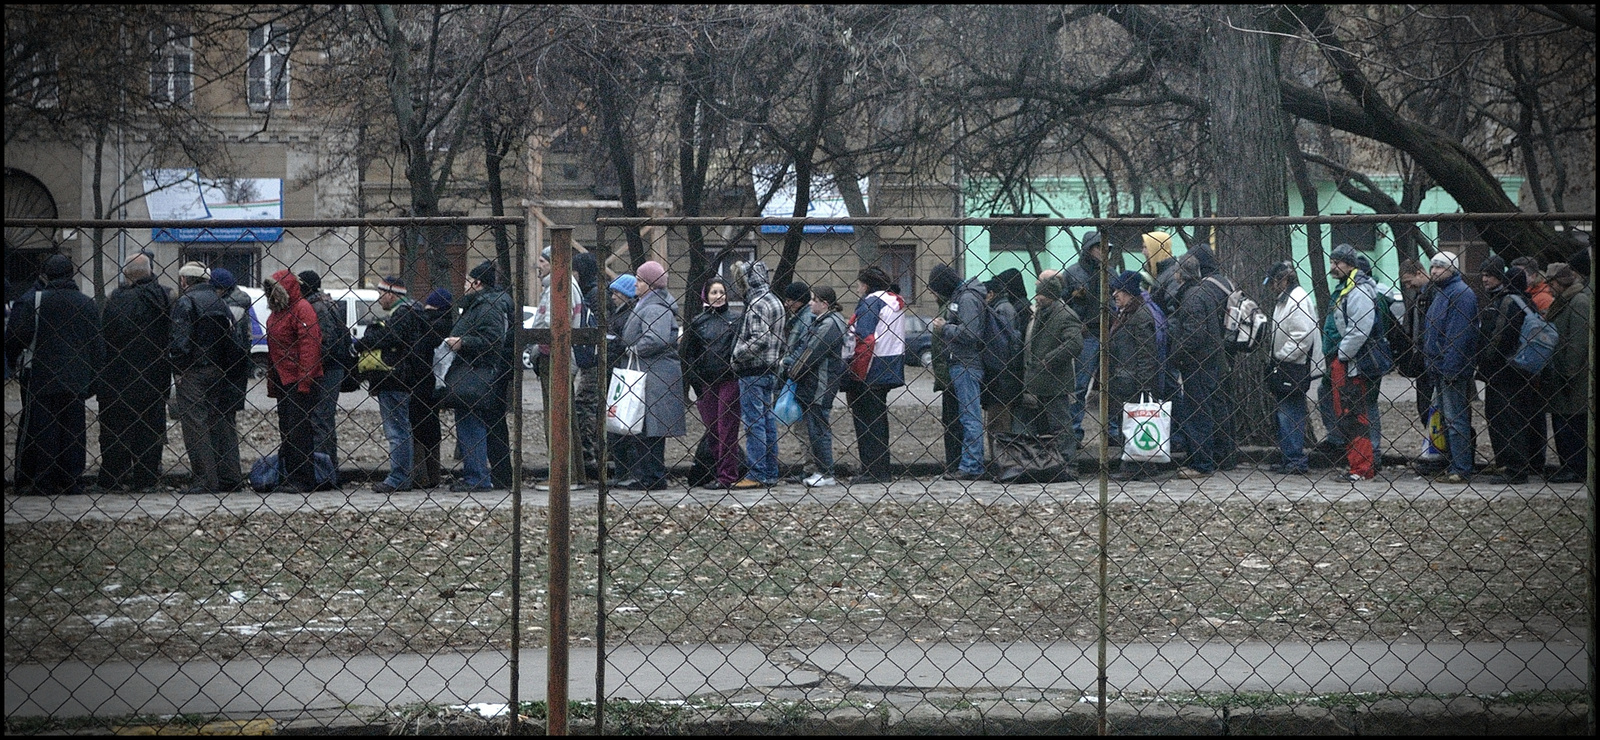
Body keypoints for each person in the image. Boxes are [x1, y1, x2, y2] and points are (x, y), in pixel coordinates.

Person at [5, 254, 102, 496]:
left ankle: (42, 479)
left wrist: (12, 361)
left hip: (40, 376)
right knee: (73, 429)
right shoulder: (86, 303)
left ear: (45, 275)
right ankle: (71, 480)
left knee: (41, 429)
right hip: (76, 378)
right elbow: (97, 345)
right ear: (71, 274)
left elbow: (15, 337)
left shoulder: (34, 301)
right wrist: (93, 378)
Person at [96, 253, 174, 491]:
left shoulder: (114, 300)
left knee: (115, 431)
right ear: (150, 272)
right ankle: (146, 478)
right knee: (149, 431)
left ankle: (113, 477)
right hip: (154, 378)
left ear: (127, 274)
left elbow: (105, 336)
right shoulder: (165, 298)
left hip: (117, 378)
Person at [170, 262, 246, 494]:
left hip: (194, 371)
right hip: (219, 371)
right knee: (220, 423)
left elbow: (180, 342)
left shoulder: (186, 302)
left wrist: (179, 370)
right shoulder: (221, 302)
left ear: (185, 281)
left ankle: (204, 479)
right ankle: (229, 476)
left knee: (195, 425)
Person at [616, 260, 686, 489]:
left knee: (650, 430)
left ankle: (652, 476)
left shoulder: (654, 307)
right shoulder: (649, 303)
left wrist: (631, 349)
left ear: (650, 283)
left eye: (639, 279)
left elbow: (655, 338)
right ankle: (648, 475)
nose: (635, 283)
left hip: (655, 374)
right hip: (651, 372)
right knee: (647, 428)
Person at [445, 261, 511, 492]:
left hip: (476, 371)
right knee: (470, 423)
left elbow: (493, 340)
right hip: (474, 370)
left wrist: (463, 343)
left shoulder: (487, 306)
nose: (464, 285)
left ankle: (477, 477)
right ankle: (477, 474)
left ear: (477, 282)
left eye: (467, 280)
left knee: (472, 424)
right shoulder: (479, 304)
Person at [355, 276, 426, 493]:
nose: (379, 299)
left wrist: (363, 342)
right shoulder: (410, 312)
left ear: (391, 294)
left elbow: (389, 336)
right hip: (402, 376)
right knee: (400, 428)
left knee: (397, 430)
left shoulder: (403, 313)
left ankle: (399, 478)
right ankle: (403, 475)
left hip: (395, 377)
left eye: (381, 294)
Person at [1320, 244, 1384, 482]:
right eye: (1332, 262)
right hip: (1346, 361)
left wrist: (1343, 355)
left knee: (1354, 414)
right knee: (1348, 414)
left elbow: (1359, 330)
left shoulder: (1358, 290)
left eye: (1337, 263)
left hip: (1352, 363)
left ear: (1350, 264)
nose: (1333, 268)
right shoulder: (1348, 288)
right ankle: (1358, 464)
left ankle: (1362, 467)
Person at [1169, 245, 1232, 479]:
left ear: (1179, 274)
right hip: (1206, 362)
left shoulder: (1192, 298)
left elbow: (1194, 334)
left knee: (1197, 413)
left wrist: (1176, 354)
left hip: (1197, 363)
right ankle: (1206, 457)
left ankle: (1201, 463)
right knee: (1202, 411)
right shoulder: (1201, 292)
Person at [1475, 254, 1539, 484]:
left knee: (1506, 419)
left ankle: (1514, 467)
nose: (1485, 279)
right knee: (1516, 418)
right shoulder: (1525, 301)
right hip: (1520, 369)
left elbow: (1499, 337)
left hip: (1504, 371)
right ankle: (1520, 463)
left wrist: (1485, 360)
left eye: (1490, 275)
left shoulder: (1508, 302)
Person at [844, 266, 906, 485]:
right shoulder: (894, 301)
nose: (858, 288)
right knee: (879, 421)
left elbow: (865, 338)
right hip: (889, 364)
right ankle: (882, 468)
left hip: (869, 367)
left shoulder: (871, 302)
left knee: (866, 422)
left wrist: (855, 372)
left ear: (866, 284)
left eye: (860, 284)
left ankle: (871, 469)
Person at [263, 269, 324, 494]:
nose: (270, 295)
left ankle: (303, 478)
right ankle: (291, 474)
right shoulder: (280, 312)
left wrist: (304, 380)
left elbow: (310, 347)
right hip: (284, 379)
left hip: (299, 379)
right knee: (288, 429)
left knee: (299, 431)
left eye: (275, 290)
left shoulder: (301, 309)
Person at [681, 276, 744, 489]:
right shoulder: (698, 322)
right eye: (714, 292)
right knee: (713, 430)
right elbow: (689, 354)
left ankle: (728, 475)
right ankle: (717, 470)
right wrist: (696, 382)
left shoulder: (736, 320)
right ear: (706, 296)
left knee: (727, 429)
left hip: (729, 380)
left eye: (721, 292)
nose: (718, 296)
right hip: (706, 383)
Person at [1020, 271, 1084, 479]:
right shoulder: (1041, 312)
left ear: (1051, 295)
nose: (1037, 297)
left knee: (1061, 424)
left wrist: (1050, 358)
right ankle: (1047, 462)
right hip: (1039, 379)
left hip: (1055, 380)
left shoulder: (1065, 316)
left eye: (1041, 294)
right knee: (1043, 425)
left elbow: (1075, 344)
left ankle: (1068, 463)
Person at [729, 260, 787, 489]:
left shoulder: (756, 304)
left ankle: (757, 473)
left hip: (752, 371)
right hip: (771, 369)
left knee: (754, 424)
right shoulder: (775, 301)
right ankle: (770, 471)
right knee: (767, 421)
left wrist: (736, 354)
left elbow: (759, 339)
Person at [1421, 251, 1477, 484]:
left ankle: (1461, 467)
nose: (1434, 271)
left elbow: (1458, 336)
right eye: (1432, 267)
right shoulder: (1442, 292)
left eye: (1440, 267)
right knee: (1447, 419)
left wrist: (1451, 368)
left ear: (1452, 269)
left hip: (1451, 368)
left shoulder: (1461, 294)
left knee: (1456, 420)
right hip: (1439, 366)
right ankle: (1454, 463)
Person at [785, 285, 847, 488]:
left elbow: (811, 353)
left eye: (813, 300)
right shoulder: (824, 321)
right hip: (816, 384)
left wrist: (791, 371)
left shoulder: (829, 324)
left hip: (820, 385)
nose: (810, 303)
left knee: (819, 429)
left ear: (824, 303)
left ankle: (825, 472)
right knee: (815, 428)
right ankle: (822, 470)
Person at [929, 263, 986, 481]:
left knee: (969, 416)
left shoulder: (966, 298)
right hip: (960, 362)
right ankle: (969, 463)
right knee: (966, 415)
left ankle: (972, 465)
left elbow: (971, 334)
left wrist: (945, 327)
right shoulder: (962, 296)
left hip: (966, 363)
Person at [1264, 261, 1320, 475]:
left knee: (1290, 414)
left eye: (1273, 283)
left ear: (1284, 280)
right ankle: (1290, 456)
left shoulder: (1295, 300)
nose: (1271, 288)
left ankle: (1295, 459)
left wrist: (1281, 355)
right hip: (1288, 364)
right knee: (1286, 412)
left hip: (1293, 365)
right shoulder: (1286, 299)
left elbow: (1302, 335)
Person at [1104, 271, 1157, 480]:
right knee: (1127, 422)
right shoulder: (1125, 314)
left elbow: (1146, 353)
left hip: (1133, 380)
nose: (1115, 295)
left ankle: (1135, 466)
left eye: (1120, 291)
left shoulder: (1140, 316)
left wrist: (1144, 384)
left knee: (1134, 423)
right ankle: (1134, 464)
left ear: (1131, 293)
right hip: (1123, 378)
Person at [298, 270, 348, 489]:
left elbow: (325, 341)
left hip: (327, 369)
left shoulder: (316, 307)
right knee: (324, 420)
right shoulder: (325, 302)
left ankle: (322, 471)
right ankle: (329, 468)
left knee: (320, 419)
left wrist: (313, 364)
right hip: (332, 367)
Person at [1541, 261, 1590, 483]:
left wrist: (1569, 372)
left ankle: (1576, 467)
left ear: (1558, 282)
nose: (1548, 288)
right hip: (1560, 373)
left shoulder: (1578, 302)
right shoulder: (1564, 301)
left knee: (1573, 423)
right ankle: (1567, 465)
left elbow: (1579, 343)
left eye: (1550, 283)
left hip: (1573, 377)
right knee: (1562, 421)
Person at [1063, 231, 1111, 443]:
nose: (1103, 252)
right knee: (1080, 386)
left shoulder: (1109, 271)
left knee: (1113, 384)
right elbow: (1062, 304)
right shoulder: (1073, 273)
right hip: (1085, 333)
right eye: (1099, 248)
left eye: (1106, 249)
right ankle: (1074, 432)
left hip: (1108, 332)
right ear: (1089, 249)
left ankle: (1114, 431)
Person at [411, 288, 453, 489]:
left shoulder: (426, 324)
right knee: (432, 426)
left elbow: (418, 351)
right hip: (436, 383)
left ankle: (421, 475)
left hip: (420, 381)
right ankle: (432, 473)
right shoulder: (448, 324)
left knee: (418, 427)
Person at [982, 269, 1025, 441]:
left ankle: (1001, 461)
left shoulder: (1001, 310)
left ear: (991, 294)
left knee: (998, 423)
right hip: (1001, 377)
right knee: (997, 422)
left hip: (1001, 377)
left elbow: (1005, 344)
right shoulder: (1002, 307)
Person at [604, 273, 639, 483]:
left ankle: (625, 470)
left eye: (618, 293)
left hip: (620, 372)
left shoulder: (627, 316)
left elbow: (623, 342)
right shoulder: (619, 314)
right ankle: (622, 470)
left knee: (623, 423)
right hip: (616, 371)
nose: (614, 296)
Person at [1397, 259, 1435, 421]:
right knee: (1424, 408)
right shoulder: (1420, 296)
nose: (1407, 286)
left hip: (1432, 359)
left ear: (1419, 273)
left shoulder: (1435, 295)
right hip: (1422, 360)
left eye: (1408, 281)